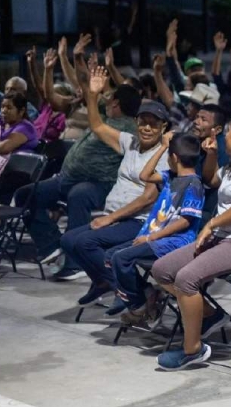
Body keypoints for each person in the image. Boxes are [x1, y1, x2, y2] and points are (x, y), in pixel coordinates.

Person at [151, 114, 231, 371]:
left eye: (228, 134)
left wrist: (212, 224)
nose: (224, 139)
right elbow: (212, 180)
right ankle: (210, 315)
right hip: (226, 238)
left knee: (186, 278)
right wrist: (210, 155)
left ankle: (193, 349)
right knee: (162, 270)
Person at [20, 50, 143, 281]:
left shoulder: (127, 129)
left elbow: (90, 99)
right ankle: (51, 245)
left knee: (79, 196)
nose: (106, 98)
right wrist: (78, 64)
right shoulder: (107, 118)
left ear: (116, 102)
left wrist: (89, 84)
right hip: (67, 178)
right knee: (26, 195)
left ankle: (75, 262)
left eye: (110, 97)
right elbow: (85, 87)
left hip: (98, 184)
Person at [59, 69, 170, 307]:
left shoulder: (163, 155)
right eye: (143, 123)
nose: (147, 128)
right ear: (136, 123)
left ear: (163, 127)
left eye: (153, 124)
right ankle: (104, 282)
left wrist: (109, 220)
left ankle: (141, 293)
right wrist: (92, 94)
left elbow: (148, 199)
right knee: (68, 240)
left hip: (139, 221)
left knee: (86, 243)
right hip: (117, 217)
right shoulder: (130, 142)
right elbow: (97, 126)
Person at [112, 132, 205, 327]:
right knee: (110, 256)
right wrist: (162, 147)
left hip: (175, 241)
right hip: (155, 237)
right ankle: (149, 295)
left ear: (174, 158)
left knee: (120, 258)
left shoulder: (194, 184)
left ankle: (139, 307)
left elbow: (185, 221)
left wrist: (151, 238)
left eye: (168, 154)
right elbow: (144, 175)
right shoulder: (170, 177)